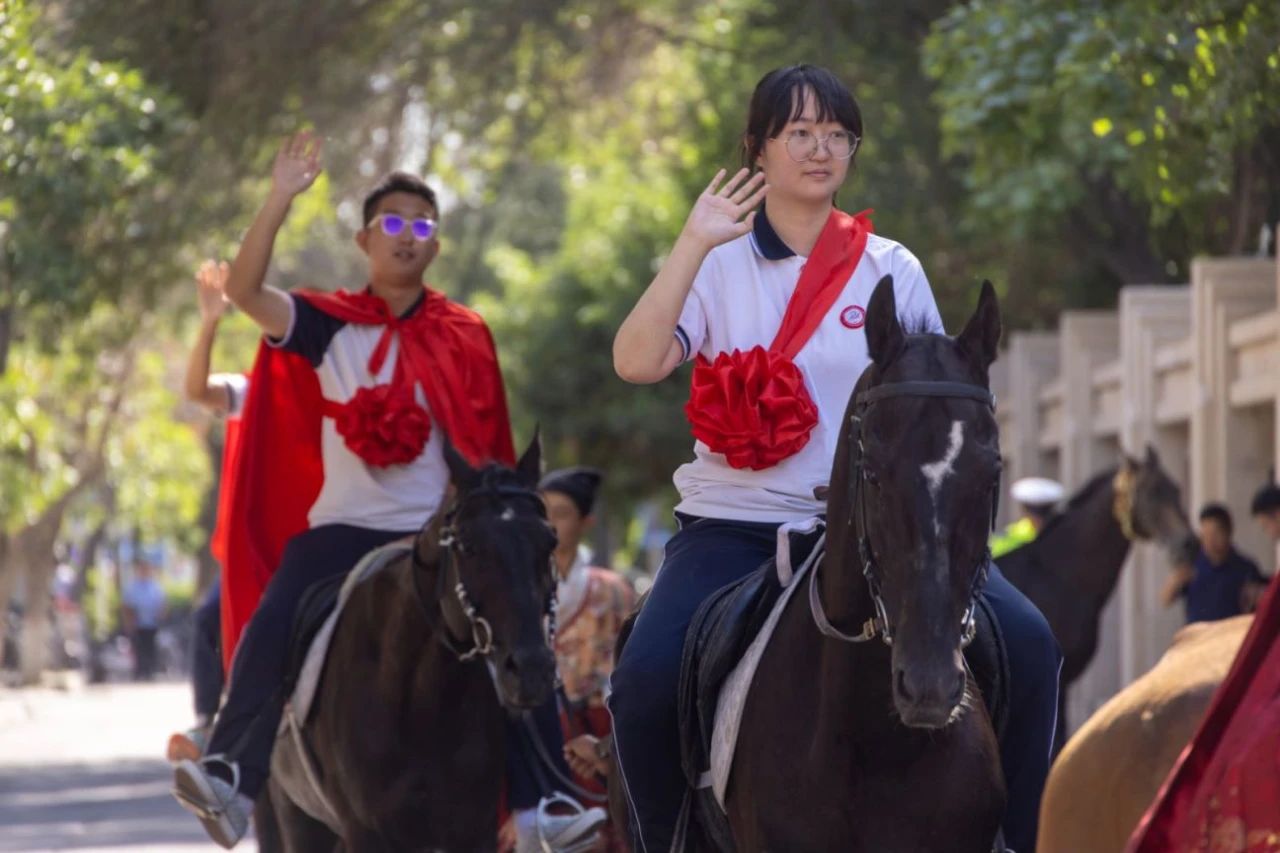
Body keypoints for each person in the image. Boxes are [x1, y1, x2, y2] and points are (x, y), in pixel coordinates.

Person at [609, 65, 1062, 853]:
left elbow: (935, 407)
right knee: (642, 684)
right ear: (758, 148)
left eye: (837, 134)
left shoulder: (893, 266)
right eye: (799, 133)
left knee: (1032, 644)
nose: (821, 150)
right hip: (735, 528)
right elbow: (636, 360)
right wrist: (690, 241)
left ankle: (1024, 839)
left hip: (883, 535)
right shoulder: (716, 263)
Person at [172, 131, 594, 851]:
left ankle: (544, 799)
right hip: (344, 531)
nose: (407, 236)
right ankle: (233, 775)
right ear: (367, 238)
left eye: (423, 225)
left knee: (519, 622)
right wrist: (279, 196)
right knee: (277, 612)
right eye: (393, 223)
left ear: (436, 245)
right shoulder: (328, 324)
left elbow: (487, 438)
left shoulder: (466, 331)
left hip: (440, 531)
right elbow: (243, 293)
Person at [167, 259, 250, 763]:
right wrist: (210, 322)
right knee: (206, 619)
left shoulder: (337, 387)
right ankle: (208, 725)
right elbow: (197, 391)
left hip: (323, 536)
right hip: (255, 549)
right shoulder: (254, 389)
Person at [538, 467, 634, 841]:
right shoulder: (517, 587)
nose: (548, 523)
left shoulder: (612, 591)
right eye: (541, 511)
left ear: (586, 522)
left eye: (560, 513)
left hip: (595, 727)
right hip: (539, 726)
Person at [1162, 503, 1270, 623]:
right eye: (1205, 534)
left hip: (1232, 636)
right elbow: (1165, 600)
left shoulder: (1246, 568)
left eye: (1215, 534)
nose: (1210, 541)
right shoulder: (1192, 565)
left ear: (1229, 532)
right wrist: (1176, 581)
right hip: (1200, 637)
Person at [991, 476, 1066, 558]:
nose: (1038, 520)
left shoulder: (1007, 536)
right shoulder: (1065, 536)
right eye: (1036, 513)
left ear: (1024, 510)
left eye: (1042, 513)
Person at [122, 559, 166, 681]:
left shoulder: (155, 587)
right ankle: (139, 671)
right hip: (138, 623)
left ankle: (150, 671)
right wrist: (129, 622)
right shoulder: (132, 587)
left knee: (150, 647)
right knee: (138, 648)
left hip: (152, 623)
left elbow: (162, 603)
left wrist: (161, 615)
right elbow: (127, 605)